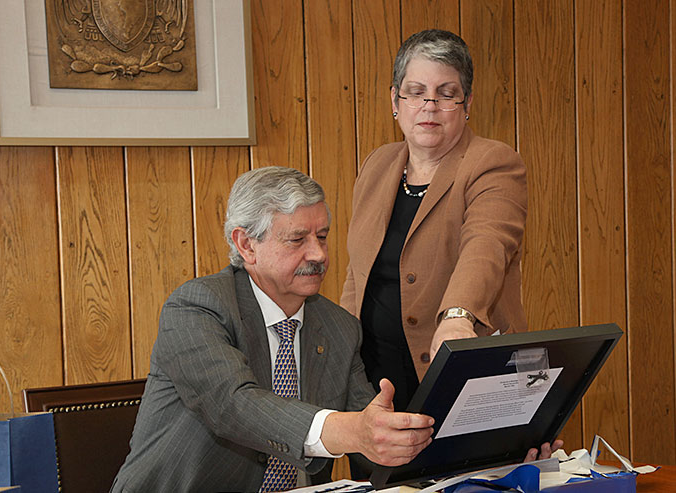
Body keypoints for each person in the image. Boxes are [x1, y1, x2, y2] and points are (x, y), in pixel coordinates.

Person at [111, 166, 434, 493]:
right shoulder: (197, 308)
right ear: (246, 245)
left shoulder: (340, 328)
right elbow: (234, 405)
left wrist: (395, 440)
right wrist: (352, 431)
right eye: (297, 239)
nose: (318, 254)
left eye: (321, 236)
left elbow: (368, 430)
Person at [340, 29, 561, 460]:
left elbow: (488, 244)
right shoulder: (376, 166)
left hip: (462, 377)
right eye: (416, 92)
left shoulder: (493, 162)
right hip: (377, 389)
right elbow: (357, 272)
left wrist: (458, 317)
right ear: (394, 102)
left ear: (467, 105)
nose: (429, 106)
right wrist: (341, 362)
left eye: (446, 93)